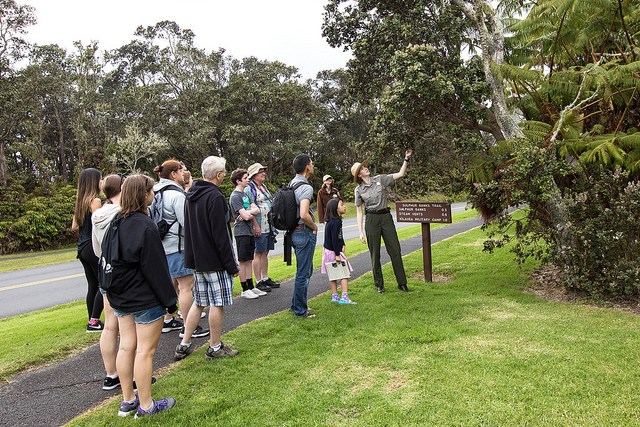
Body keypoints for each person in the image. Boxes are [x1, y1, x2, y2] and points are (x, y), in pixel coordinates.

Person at [106, 174, 177, 418]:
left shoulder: (116, 222)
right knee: (144, 351)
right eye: (151, 191)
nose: (154, 195)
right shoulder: (146, 226)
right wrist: (170, 302)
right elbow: (156, 269)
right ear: (142, 194)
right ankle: (146, 405)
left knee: (126, 347)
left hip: (120, 296)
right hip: (143, 297)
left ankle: (128, 400)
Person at [175, 156, 240, 360]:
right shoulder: (215, 197)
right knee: (216, 303)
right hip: (214, 260)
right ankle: (214, 347)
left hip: (197, 260)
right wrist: (231, 265)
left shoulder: (190, 194)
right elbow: (221, 236)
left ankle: (184, 343)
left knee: (199, 302)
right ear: (219, 175)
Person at [153, 160, 209, 340]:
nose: (185, 173)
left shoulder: (154, 191)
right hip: (178, 246)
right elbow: (187, 222)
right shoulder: (176, 195)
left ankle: (168, 319)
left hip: (162, 246)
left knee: (173, 284)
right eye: (182, 170)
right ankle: (188, 326)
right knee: (186, 286)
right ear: (173, 174)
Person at [352, 149, 413, 293]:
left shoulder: (380, 179)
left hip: (386, 217)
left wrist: (406, 159)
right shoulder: (358, 190)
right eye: (363, 168)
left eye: (365, 166)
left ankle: (402, 283)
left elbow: (400, 174)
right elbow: (359, 211)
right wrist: (360, 232)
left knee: (395, 250)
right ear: (359, 175)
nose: (366, 168)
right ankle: (379, 284)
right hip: (371, 220)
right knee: (375, 253)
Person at [91, 174, 124, 390]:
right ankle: (128, 376)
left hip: (106, 270)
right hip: (123, 273)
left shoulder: (98, 214)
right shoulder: (123, 213)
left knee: (110, 326)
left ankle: (110, 374)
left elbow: (96, 248)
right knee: (128, 329)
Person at [71, 167, 105, 332]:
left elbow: (74, 226)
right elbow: (98, 224)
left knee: (92, 284)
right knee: (103, 283)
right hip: (92, 246)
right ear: (94, 181)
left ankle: (92, 321)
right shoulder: (95, 201)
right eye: (101, 179)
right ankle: (94, 321)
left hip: (82, 247)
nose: (102, 182)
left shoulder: (81, 201)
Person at [229, 168, 264, 299]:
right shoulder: (235, 196)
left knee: (250, 259)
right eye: (245, 178)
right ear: (238, 181)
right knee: (243, 261)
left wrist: (249, 212)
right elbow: (246, 215)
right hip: (241, 232)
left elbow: (256, 209)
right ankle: (244, 289)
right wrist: (249, 212)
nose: (248, 180)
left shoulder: (245, 194)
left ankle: (251, 286)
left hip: (249, 231)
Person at [290, 154, 318, 318]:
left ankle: (295, 304)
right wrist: (314, 227)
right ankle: (301, 310)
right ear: (307, 166)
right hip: (304, 231)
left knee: (302, 270)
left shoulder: (292, 183)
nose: (313, 166)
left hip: (294, 231)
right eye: (312, 163)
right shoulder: (306, 187)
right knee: (304, 272)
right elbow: (303, 213)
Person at [245, 162, 280, 291]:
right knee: (258, 253)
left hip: (268, 225)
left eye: (263, 171)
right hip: (259, 225)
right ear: (254, 175)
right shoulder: (249, 189)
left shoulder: (263, 187)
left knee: (265, 252)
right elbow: (249, 208)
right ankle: (258, 280)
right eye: (260, 171)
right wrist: (255, 225)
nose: (263, 173)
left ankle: (265, 278)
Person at [321, 198, 356, 304]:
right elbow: (335, 239)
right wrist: (337, 254)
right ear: (335, 209)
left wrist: (343, 243)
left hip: (328, 251)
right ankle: (344, 297)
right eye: (342, 205)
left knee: (333, 275)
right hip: (334, 252)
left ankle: (334, 296)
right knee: (344, 274)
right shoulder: (336, 223)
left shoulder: (331, 222)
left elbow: (338, 236)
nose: (344, 206)